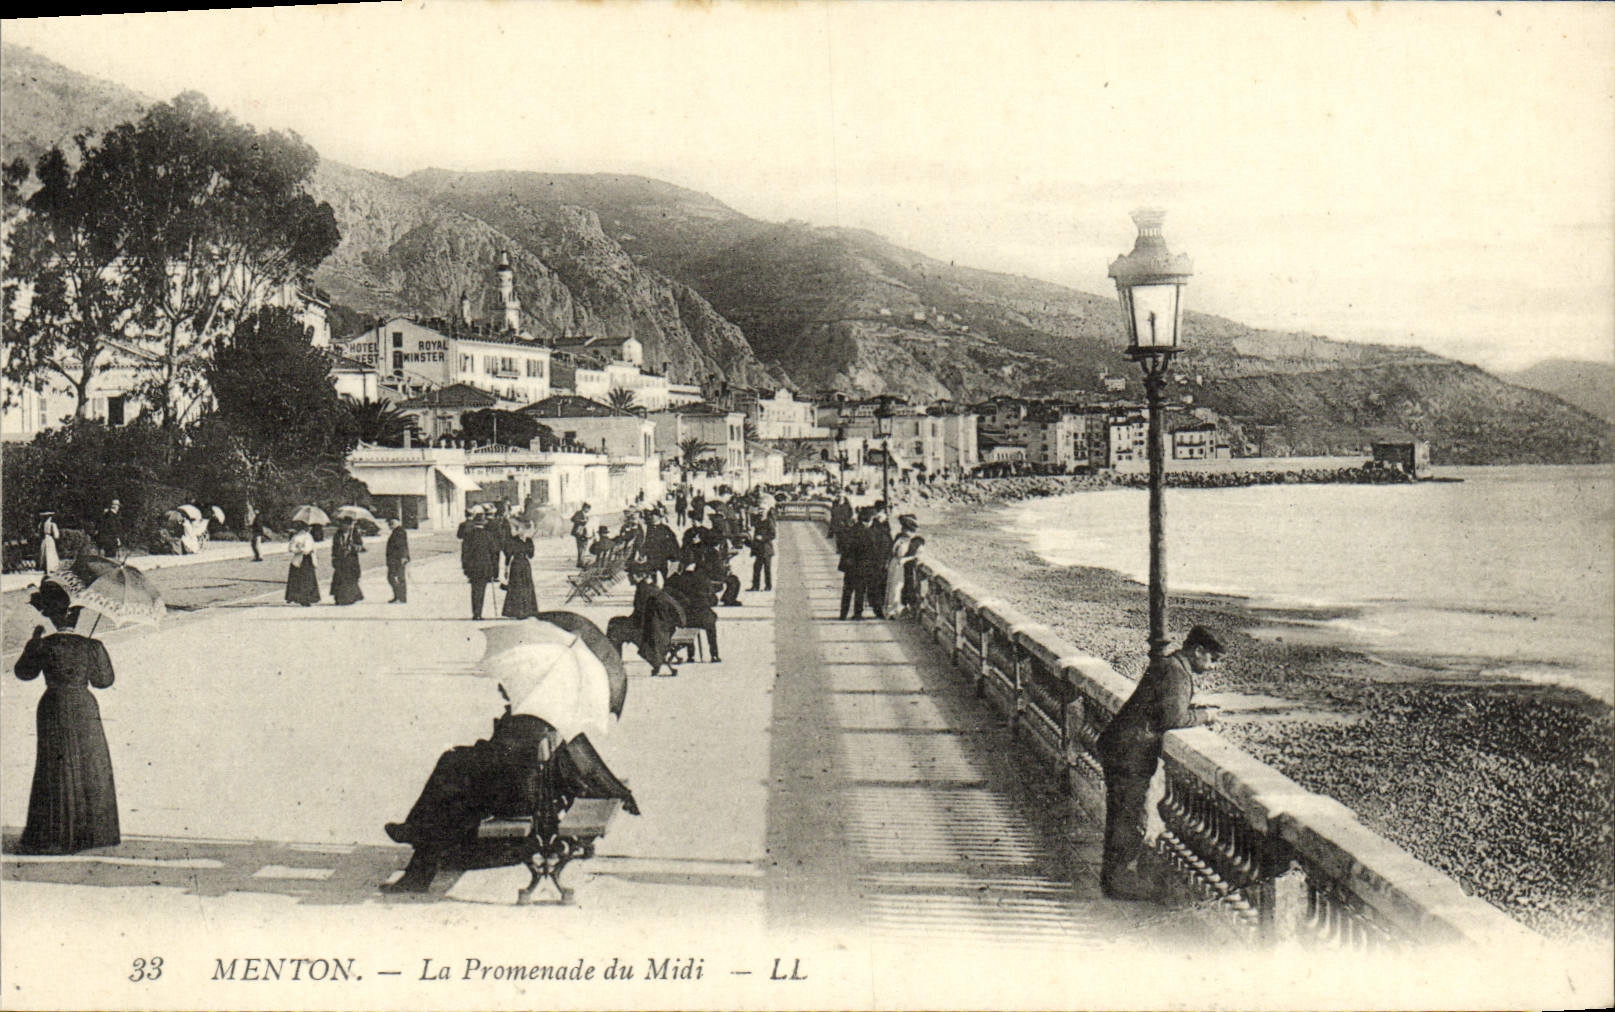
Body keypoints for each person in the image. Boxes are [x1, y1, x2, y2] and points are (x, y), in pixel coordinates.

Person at [381, 709, 640, 894]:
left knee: (450, 795)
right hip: (526, 795)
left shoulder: (524, 721)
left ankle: (418, 859)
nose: (501, 687)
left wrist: (463, 754)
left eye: (504, 684)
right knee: (450, 783)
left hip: (518, 801)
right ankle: (417, 838)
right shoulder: (542, 716)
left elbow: (494, 759)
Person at [1094, 626, 1225, 901]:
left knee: (1122, 814)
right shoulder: (1176, 673)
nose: (1213, 667)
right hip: (1129, 753)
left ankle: (1114, 877)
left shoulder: (1169, 665)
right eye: (1212, 659)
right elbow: (1173, 719)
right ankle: (1117, 882)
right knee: (1128, 817)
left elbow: (1165, 709)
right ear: (1198, 651)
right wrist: (1206, 716)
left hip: (1121, 747)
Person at [13, 581, 120, 854]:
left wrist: (32, 644)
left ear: (50, 615)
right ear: (77, 616)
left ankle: (52, 833)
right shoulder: (91, 645)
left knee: (54, 765)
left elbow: (24, 673)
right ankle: (92, 833)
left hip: (53, 704)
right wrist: (91, 654)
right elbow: (104, 681)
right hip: (83, 705)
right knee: (90, 764)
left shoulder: (43, 645)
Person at [664, 561, 721, 663]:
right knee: (711, 625)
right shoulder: (703, 580)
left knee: (690, 622)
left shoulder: (675, 581)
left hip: (685, 618)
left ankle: (691, 655)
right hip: (703, 617)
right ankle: (714, 655)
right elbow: (713, 600)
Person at [460, 507, 501, 620]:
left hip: (472, 567)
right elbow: (494, 553)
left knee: (474, 590)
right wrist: (494, 570)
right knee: (481, 590)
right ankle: (479, 613)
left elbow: (465, 553)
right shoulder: (488, 536)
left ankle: (475, 613)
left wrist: (465, 567)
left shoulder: (469, 536)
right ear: (483, 524)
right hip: (485, 567)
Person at [838, 510, 874, 620]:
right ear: (868, 520)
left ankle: (843, 614)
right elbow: (869, 550)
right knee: (860, 590)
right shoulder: (867, 532)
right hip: (861, 566)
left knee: (847, 590)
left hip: (850, 566)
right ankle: (857, 614)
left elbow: (843, 546)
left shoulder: (851, 529)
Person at [501, 522, 539, 619]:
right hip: (516, 566)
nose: (523, 532)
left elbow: (531, 555)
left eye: (525, 530)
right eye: (521, 529)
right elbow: (508, 555)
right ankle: (515, 611)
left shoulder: (529, 540)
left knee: (527, 588)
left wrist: (529, 544)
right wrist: (506, 569)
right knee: (516, 588)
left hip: (525, 565)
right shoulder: (512, 540)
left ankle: (528, 610)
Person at [885, 514, 917, 618]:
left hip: (903, 566)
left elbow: (916, 555)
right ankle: (890, 610)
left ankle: (895, 610)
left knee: (898, 587)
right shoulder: (899, 537)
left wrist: (905, 559)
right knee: (891, 586)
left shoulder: (914, 541)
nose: (903, 530)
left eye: (906, 529)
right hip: (895, 563)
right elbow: (892, 550)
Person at [329, 516, 365, 605]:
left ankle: (350, 597)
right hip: (340, 560)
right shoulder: (338, 534)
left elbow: (360, 546)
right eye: (344, 524)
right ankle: (339, 598)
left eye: (348, 525)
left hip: (351, 560)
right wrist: (334, 557)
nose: (345, 527)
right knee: (339, 578)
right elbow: (334, 547)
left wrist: (352, 547)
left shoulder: (354, 534)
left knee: (350, 578)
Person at [284, 522, 321, 605]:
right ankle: (301, 598)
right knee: (300, 580)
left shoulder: (309, 536)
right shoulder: (296, 537)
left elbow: (313, 547)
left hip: (308, 559)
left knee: (309, 579)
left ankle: (310, 597)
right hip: (300, 559)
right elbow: (291, 548)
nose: (308, 529)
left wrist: (312, 550)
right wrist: (300, 549)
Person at [866, 511, 894, 618]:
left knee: (874, 586)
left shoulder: (871, 531)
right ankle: (879, 608)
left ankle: (876, 607)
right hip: (881, 564)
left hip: (873, 563)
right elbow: (889, 548)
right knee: (881, 586)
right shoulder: (885, 533)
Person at [749, 508, 776, 592]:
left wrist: (763, 538)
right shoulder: (757, 521)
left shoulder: (769, 522)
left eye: (763, 511)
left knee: (767, 568)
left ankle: (768, 586)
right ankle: (755, 586)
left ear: (766, 512)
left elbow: (773, 535)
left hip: (766, 549)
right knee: (757, 568)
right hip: (759, 549)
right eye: (759, 510)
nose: (761, 512)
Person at [385, 518, 410, 604]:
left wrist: (404, 557)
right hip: (394, 559)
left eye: (391, 523)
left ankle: (401, 598)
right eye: (389, 524)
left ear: (396, 523)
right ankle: (397, 596)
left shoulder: (400, 532)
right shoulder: (396, 531)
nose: (389, 526)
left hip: (398, 559)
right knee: (392, 577)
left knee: (399, 578)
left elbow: (403, 545)